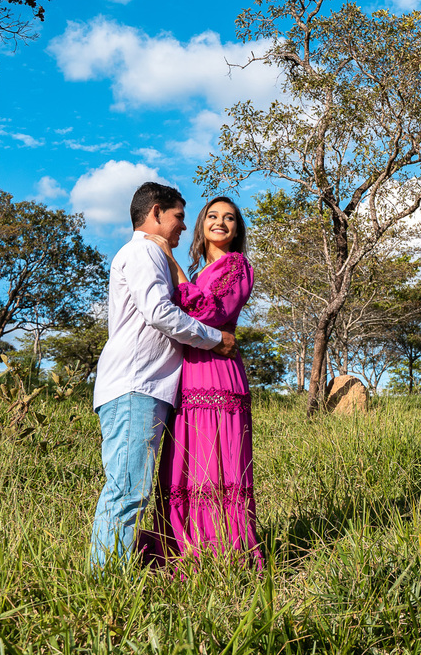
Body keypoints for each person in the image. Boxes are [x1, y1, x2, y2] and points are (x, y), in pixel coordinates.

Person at [91, 183, 237, 570]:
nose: (183, 227)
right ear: (156, 213)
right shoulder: (144, 251)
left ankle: (112, 575)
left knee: (132, 489)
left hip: (145, 387)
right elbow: (160, 312)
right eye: (179, 217)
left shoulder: (153, 254)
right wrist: (214, 339)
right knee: (127, 492)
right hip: (136, 386)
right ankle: (106, 583)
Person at [140, 196, 263, 567]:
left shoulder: (238, 266)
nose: (220, 222)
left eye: (229, 218)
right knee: (186, 462)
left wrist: (173, 264)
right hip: (189, 373)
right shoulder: (200, 274)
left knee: (217, 462)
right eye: (213, 216)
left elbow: (209, 312)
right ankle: (185, 544)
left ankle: (223, 549)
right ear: (201, 224)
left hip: (219, 373)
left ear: (237, 229)